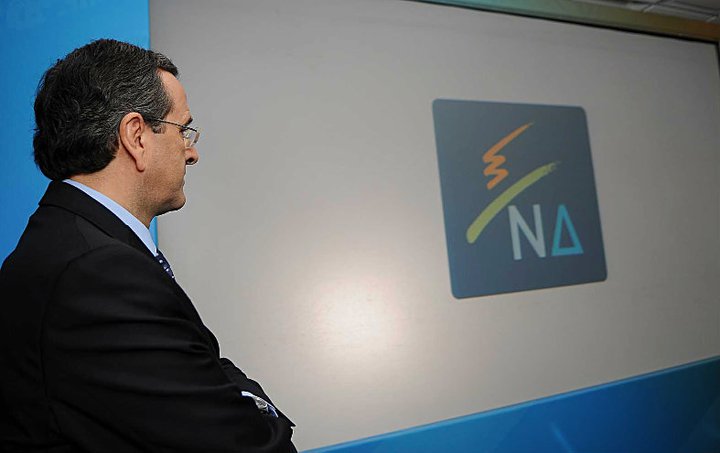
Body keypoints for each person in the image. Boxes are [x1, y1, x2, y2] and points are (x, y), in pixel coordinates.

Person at [0, 39, 297, 452]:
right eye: (183, 129)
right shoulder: (98, 273)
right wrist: (262, 411)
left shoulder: (70, 245)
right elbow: (244, 443)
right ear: (136, 135)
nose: (191, 152)